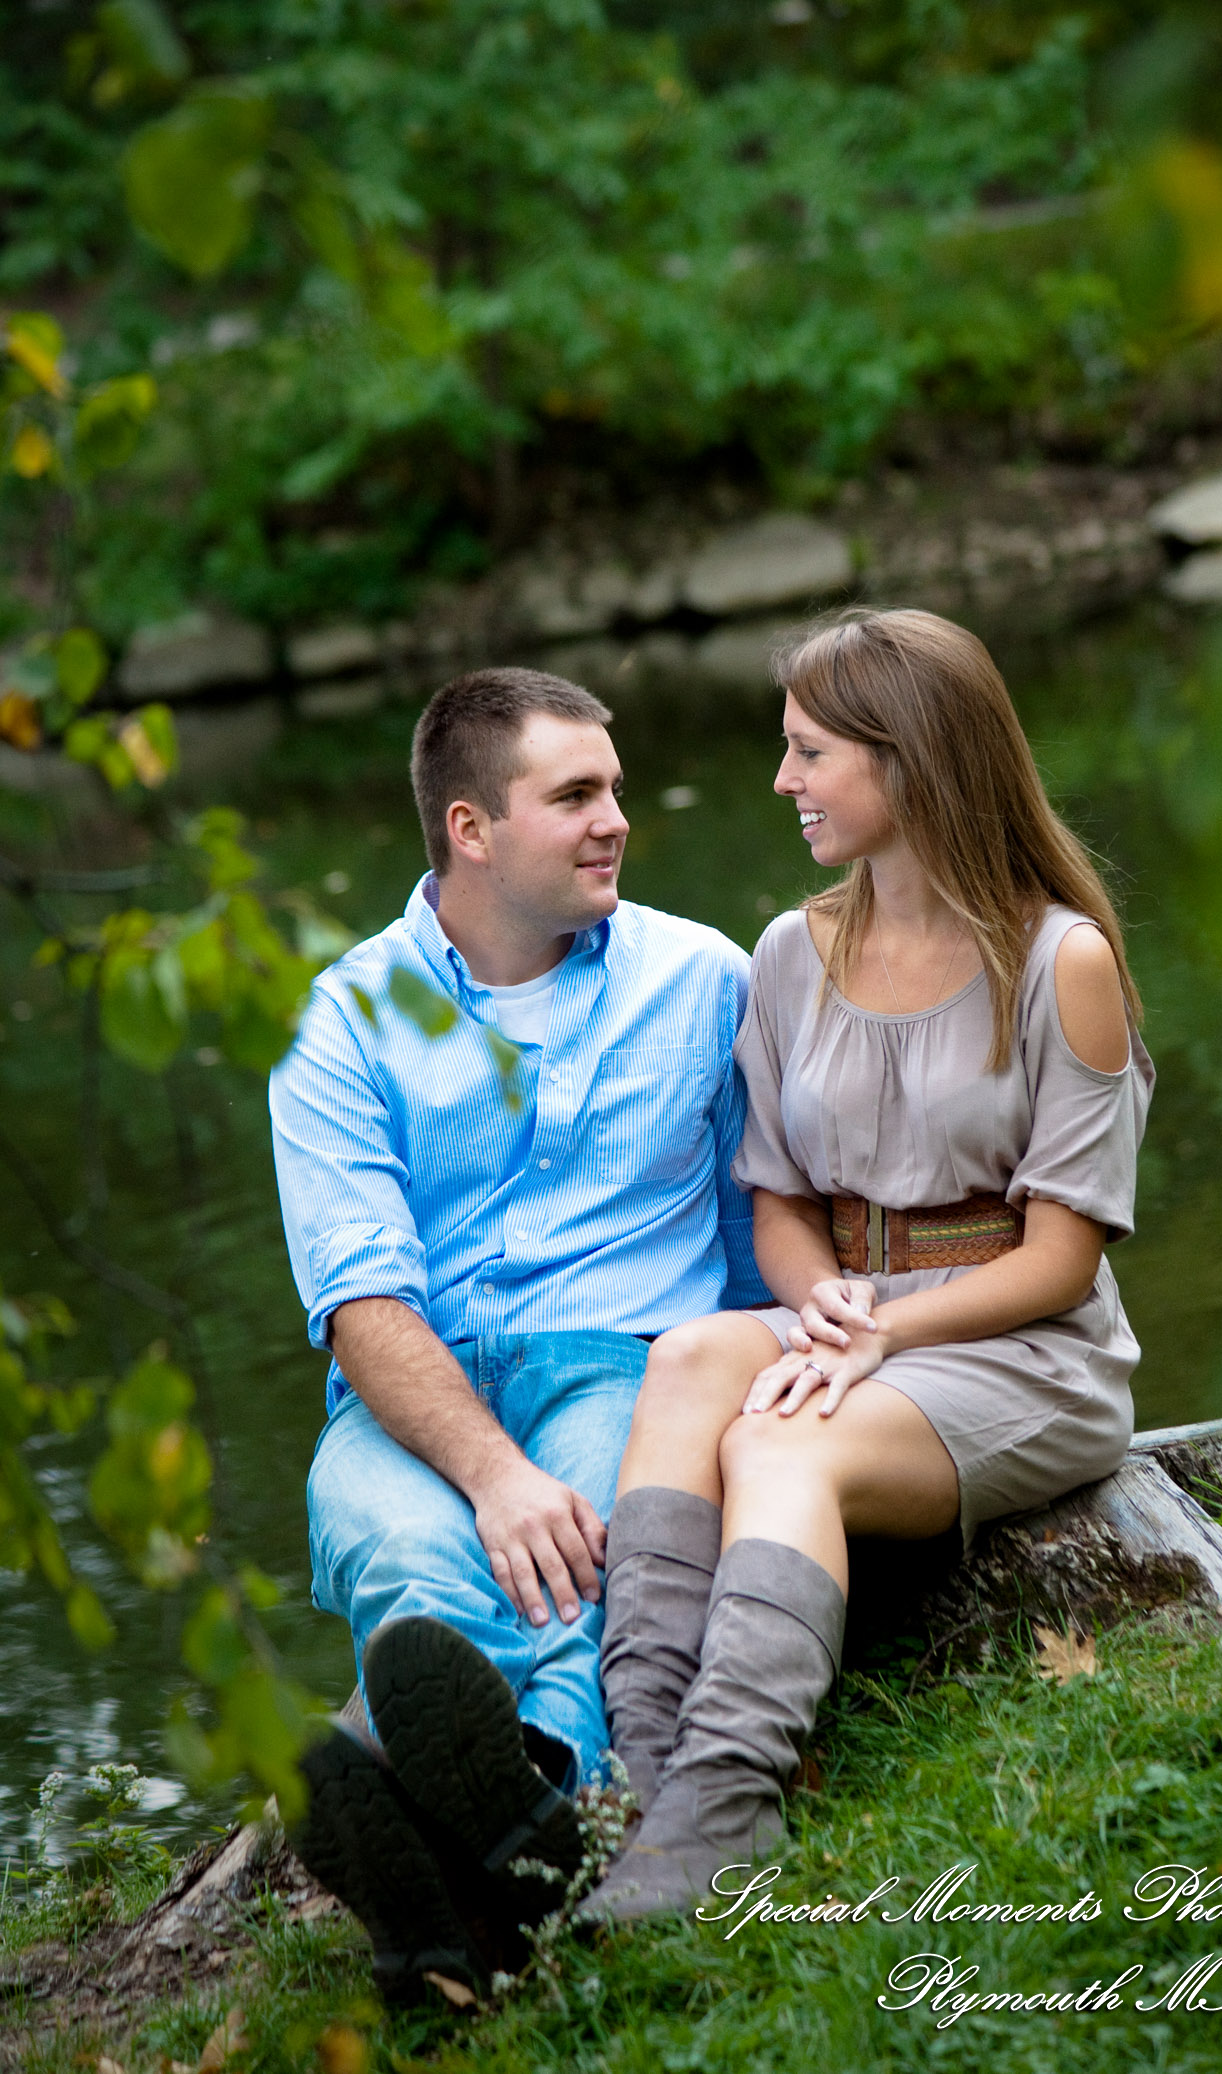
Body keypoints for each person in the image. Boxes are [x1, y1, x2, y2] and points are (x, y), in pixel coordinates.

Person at [581, 607, 1154, 1922]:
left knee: (781, 1447)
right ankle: (639, 1777)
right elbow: (781, 1203)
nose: (783, 781)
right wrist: (818, 1298)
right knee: (687, 1362)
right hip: (857, 1322)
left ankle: (725, 1807)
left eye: (809, 753)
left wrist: (889, 1336)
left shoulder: (1061, 959)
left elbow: (1064, 1259)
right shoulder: (795, 951)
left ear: (909, 761)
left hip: (1025, 1348)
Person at [268, 665, 768, 1999]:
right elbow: (362, 1301)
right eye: (576, 795)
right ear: (471, 830)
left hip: (629, 1364)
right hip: (404, 1401)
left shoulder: (705, 980)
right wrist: (488, 1470)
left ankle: (452, 1855)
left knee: (581, 1542)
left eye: (614, 788)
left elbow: (761, 1232)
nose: (615, 819)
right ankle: (508, 1865)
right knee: (409, 1556)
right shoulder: (343, 1019)